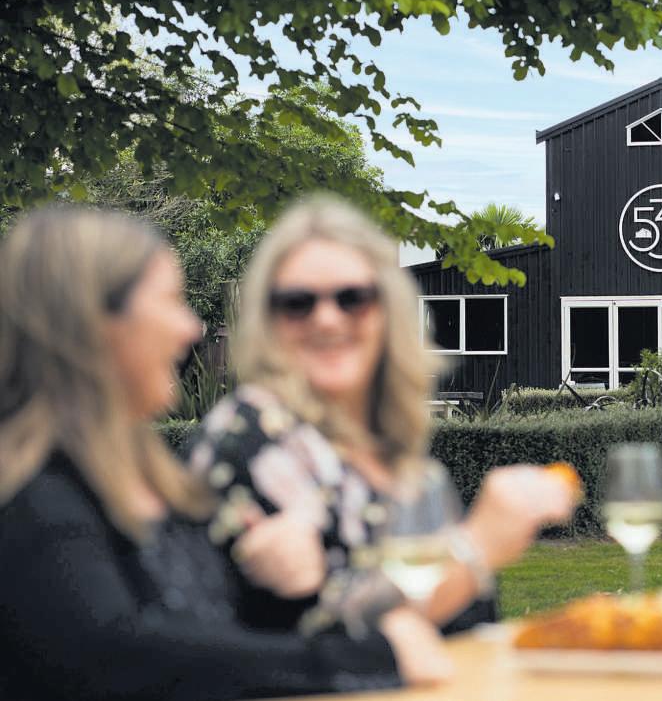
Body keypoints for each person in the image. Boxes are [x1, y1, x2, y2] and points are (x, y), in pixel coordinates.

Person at [0, 206, 450, 701]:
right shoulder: (31, 499)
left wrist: (292, 588)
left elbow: (211, 646)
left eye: (354, 298)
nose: (191, 329)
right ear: (93, 323)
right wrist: (368, 656)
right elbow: (115, 658)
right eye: (171, 301)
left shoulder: (144, 479)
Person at [190, 195, 574, 634]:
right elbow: (326, 643)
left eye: (353, 298)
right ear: (268, 322)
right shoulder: (247, 440)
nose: (327, 319)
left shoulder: (401, 458)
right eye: (298, 302)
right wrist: (479, 545)